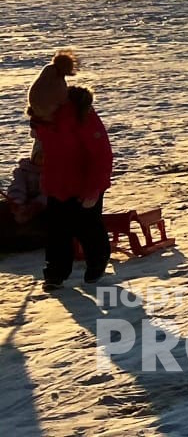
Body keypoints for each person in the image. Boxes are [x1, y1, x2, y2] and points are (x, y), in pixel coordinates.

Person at [40, 86, 112, 291]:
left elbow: (102, 155)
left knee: (88, 227)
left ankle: (97, 263)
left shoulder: (83, 115)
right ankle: (55, 273)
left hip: (85, 184)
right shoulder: (44, 116)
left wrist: (94, 189)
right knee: (57, 231)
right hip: (56, 184)